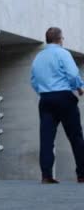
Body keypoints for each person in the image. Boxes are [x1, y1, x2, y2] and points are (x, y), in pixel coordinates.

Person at [31, 27, 84, 184]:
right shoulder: (62, 53)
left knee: (46, 138)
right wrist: (79, 87)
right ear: (60, 39)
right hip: (63, 97)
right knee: (75, 136)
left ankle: (46, 175)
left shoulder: (38, 57)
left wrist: (43, 92)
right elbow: (73, 74)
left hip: (46, 99)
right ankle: (82, 174)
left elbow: (33, 80)